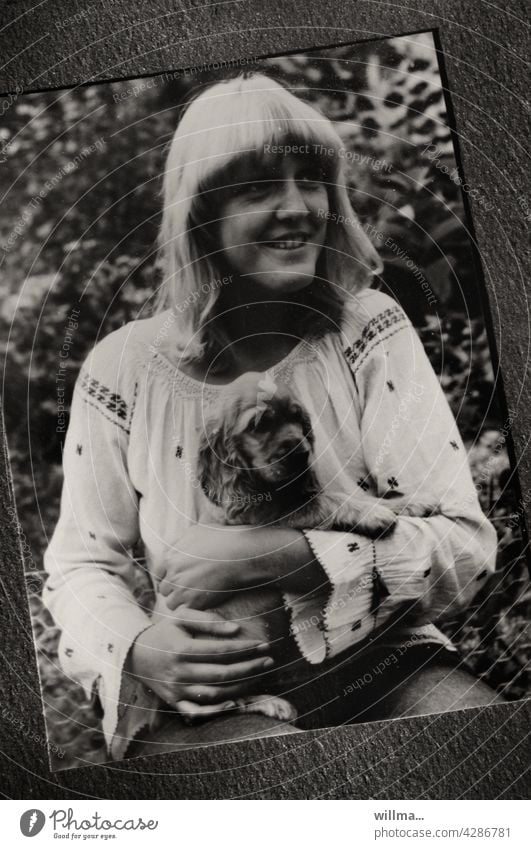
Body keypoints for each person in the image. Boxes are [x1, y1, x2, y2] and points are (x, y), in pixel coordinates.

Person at [43, 73, 502, 763]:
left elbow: (464, 545)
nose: (297, 207)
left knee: (487, 754)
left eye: (311, 179)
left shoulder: (366, 330)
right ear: (201, 212)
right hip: (211, 691)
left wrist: (293, 557)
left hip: (383, 661)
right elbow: (80, 562)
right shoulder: (124, 369)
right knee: (287, 787)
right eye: (257, 187)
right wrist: (139, 646)